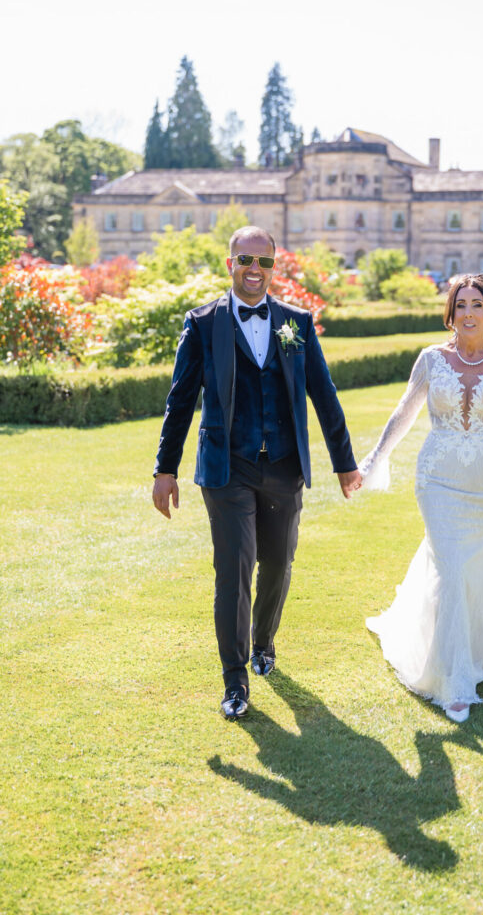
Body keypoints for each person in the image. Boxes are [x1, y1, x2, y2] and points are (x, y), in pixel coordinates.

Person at [153, 226, 361, 720]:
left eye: (263, 262)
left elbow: (324, 394)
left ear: (273, 267)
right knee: (234, 569)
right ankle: (235, 679)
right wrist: (166, 469)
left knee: (279, 562)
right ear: (230, 263)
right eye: (245, 259)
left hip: (284, 466)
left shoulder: (296, 323)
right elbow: (181, 399)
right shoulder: (203, 323)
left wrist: (345, 461)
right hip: (227, 468)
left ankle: (265, 641)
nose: (254, 269)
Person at [360, 273, 483, 723]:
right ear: (450, 311)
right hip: (437, 479)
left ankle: (477, 645)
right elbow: (404, 411)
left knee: (470, 567)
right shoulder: (431, 358)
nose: (467, 313)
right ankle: (454, 681)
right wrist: (374, 458)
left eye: (476, 305)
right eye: (460, 304)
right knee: (452, 563)